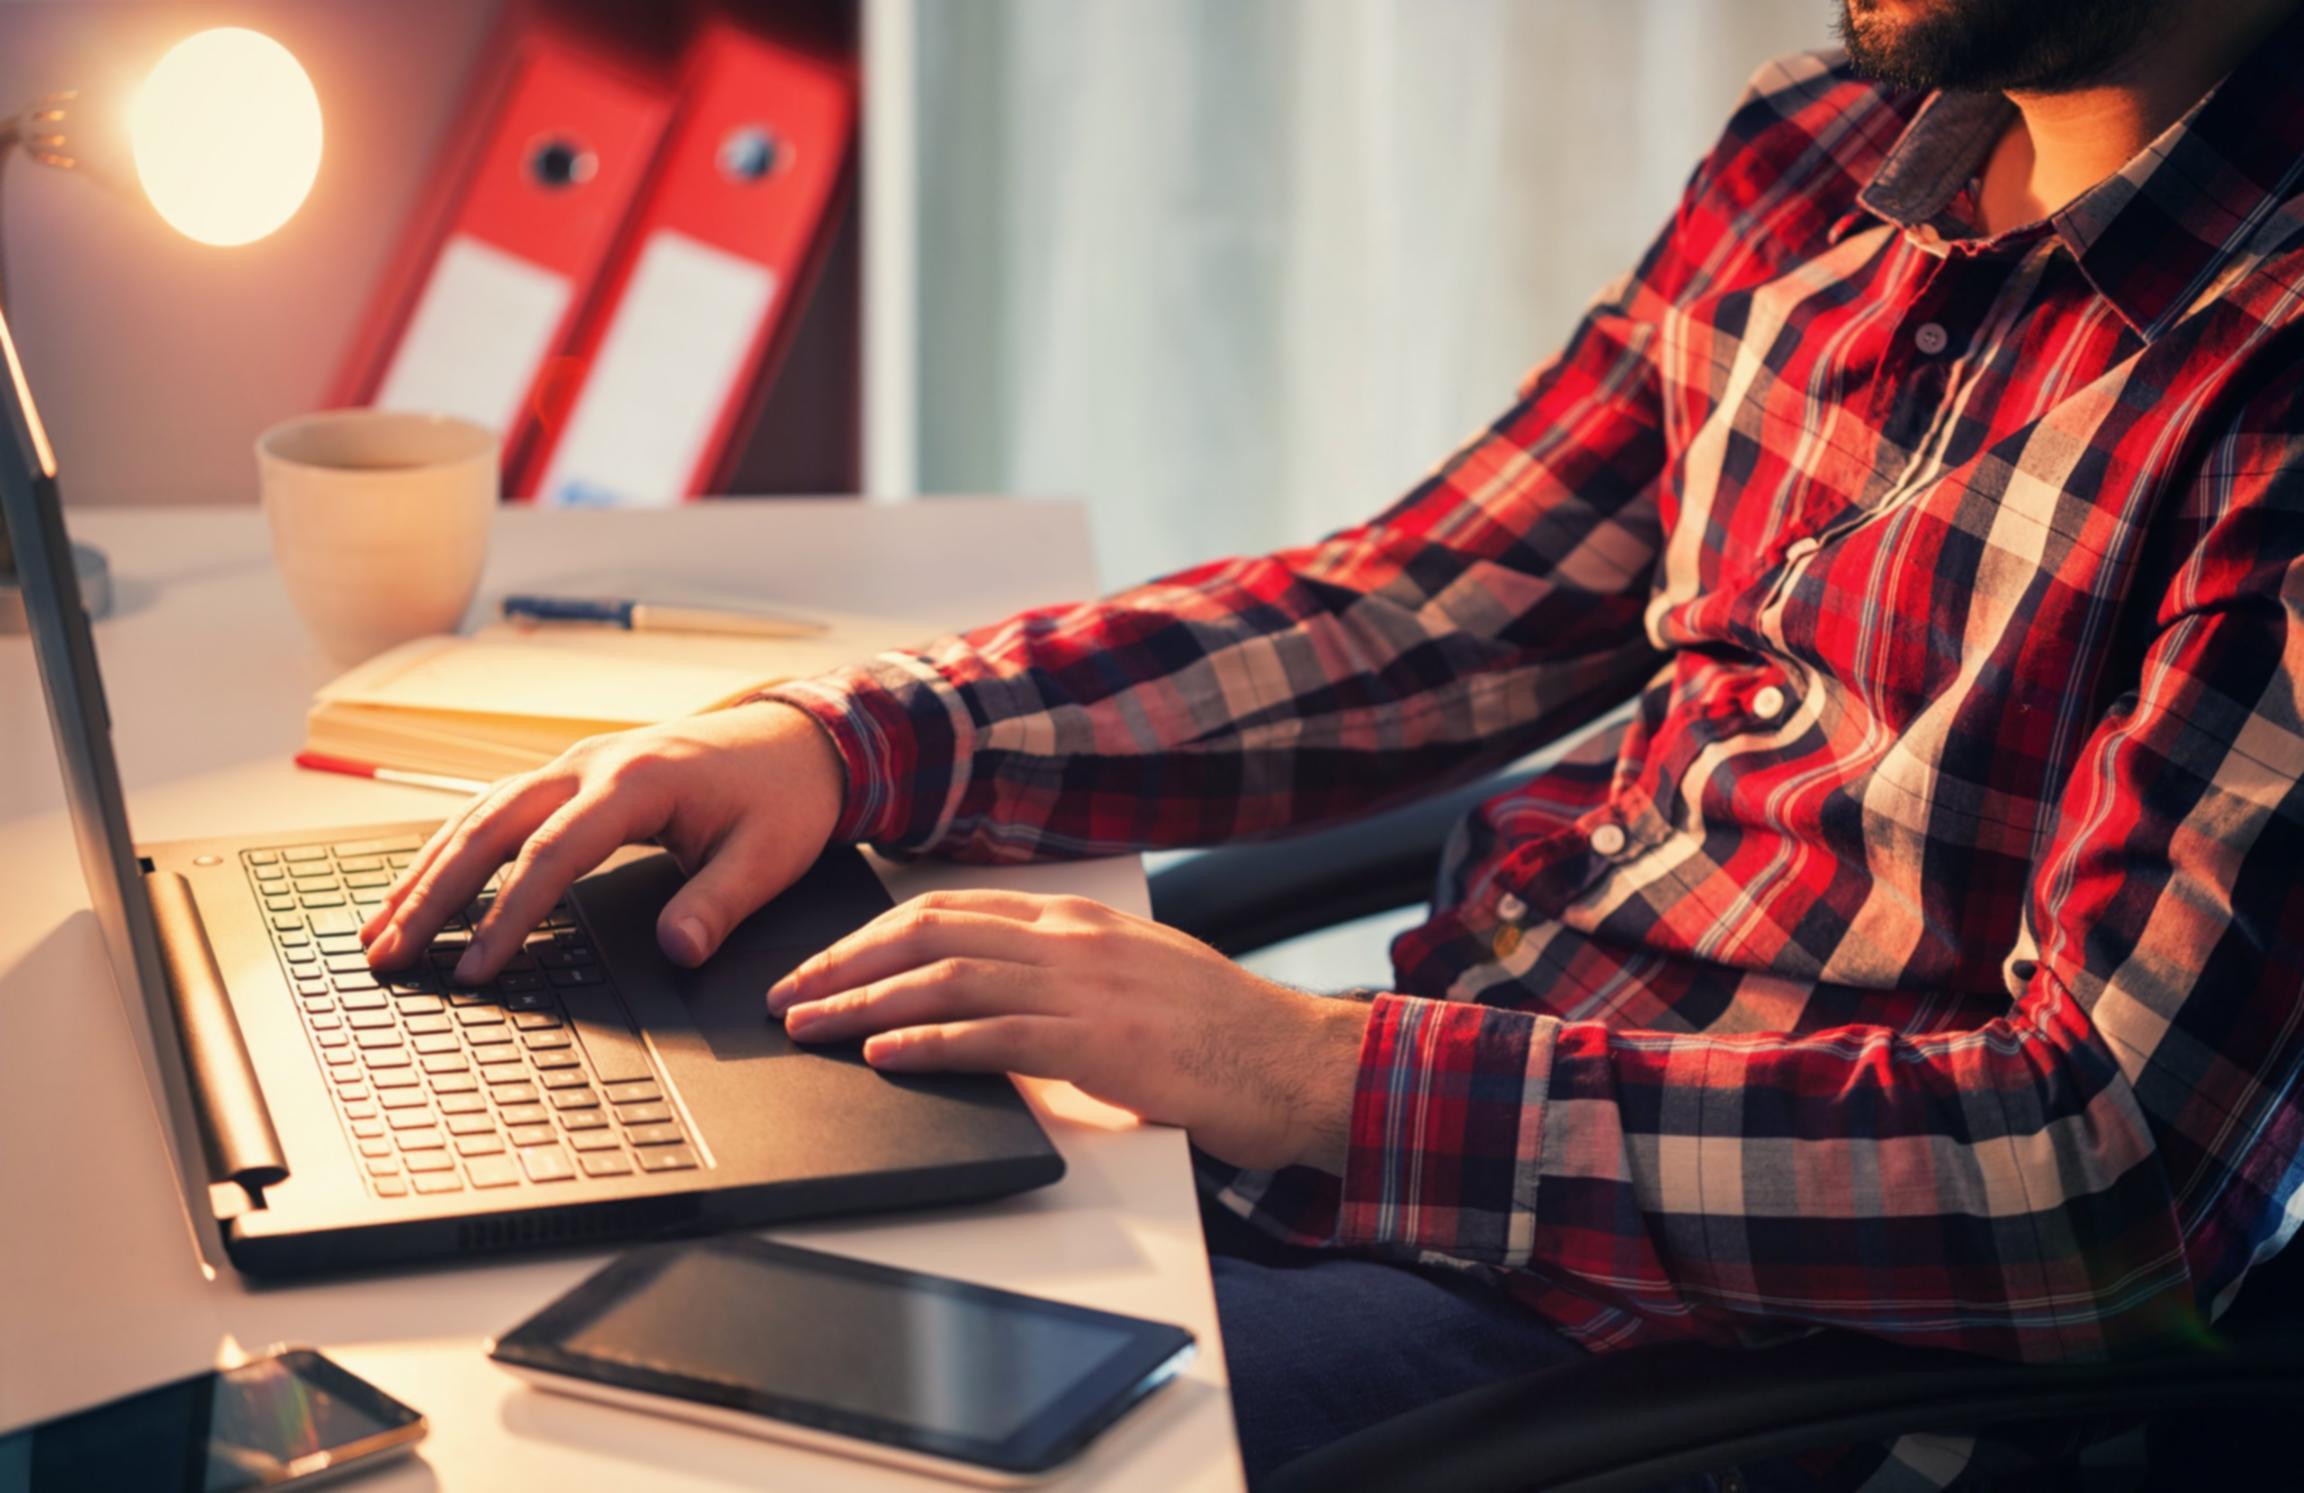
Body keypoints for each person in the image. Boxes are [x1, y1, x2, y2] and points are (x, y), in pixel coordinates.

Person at [365, 0, 2304, 1483]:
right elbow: (1434, 610)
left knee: (718, 1450)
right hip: (1390, 1151)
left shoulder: (2271, 369)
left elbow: (2104, 1180)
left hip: (1715, 1365)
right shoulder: (1831, 150)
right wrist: (850, 737)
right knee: (549, 1294)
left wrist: (1306, 1073)